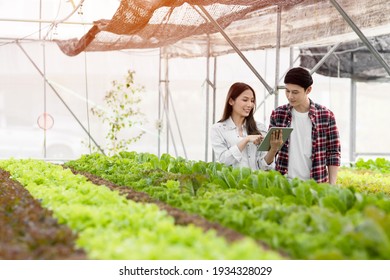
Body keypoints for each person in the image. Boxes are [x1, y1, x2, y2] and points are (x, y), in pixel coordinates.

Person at [269, 67, 341, 184]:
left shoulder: (326, 115)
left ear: (308, 90)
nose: (290, 96)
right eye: (287, 91)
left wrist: (331, 186)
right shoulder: (278, 114)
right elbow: (268, 153)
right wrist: (273, 148)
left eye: (295, 92)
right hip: (284, 184)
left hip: (316, 184)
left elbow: (333, 153)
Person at [211, 82, 283, 170]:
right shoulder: (218, 129)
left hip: (255, 183)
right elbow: (224, 160)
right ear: (231, 101)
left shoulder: (260, 128)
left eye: (252, 101)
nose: (250, 105)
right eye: (245, 100)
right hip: (232, 183)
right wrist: (246, 139)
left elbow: (264, 166)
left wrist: (273, 149)